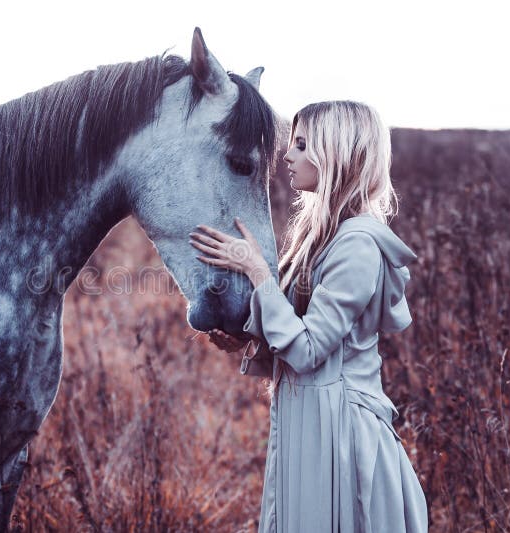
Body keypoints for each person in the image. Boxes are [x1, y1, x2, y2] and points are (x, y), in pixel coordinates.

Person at [189, 100, 428, 532]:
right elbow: (300, 331)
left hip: (340, 435)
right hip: (311, 425)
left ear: (335, 152)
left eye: (301, 144)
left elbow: (309, 350)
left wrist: (257, 268)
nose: (288, 155)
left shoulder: (357, 244)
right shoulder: (321, 235)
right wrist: (251, 340)